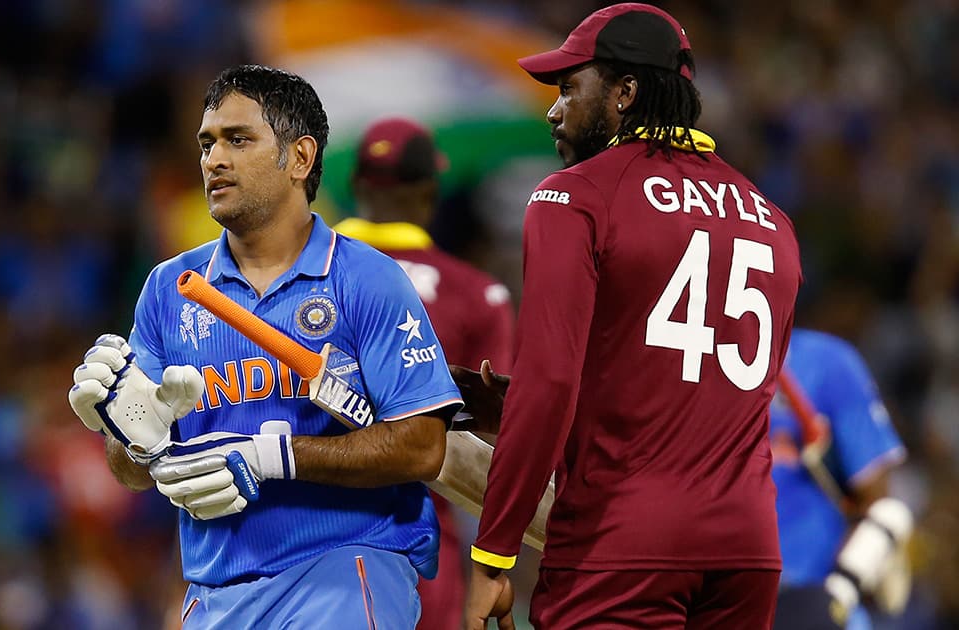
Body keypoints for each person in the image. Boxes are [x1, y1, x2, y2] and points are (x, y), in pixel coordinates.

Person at [68, 64, 464, 629]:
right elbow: (132, 470)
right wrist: (136, 438)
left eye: (237, 140)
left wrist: (269, 456)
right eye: (207, 143)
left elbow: (423, 448)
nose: (213, 159)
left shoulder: (367, 278)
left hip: (345, 570)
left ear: (300, 158)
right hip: (214, 592)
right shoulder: (167, 288)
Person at [454, 4, 803, 629]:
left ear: (625, 92)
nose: (553, 111)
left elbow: (550, 383)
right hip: (748, 549)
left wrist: (492, 556)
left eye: (568, 88)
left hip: (625, 541)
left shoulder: (575, 195)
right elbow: (701, 390)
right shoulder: (773, 220)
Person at [334, 115, 516, 630]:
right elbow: (496, 444)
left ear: (354, 187)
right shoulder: (477, 296)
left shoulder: (286, 276)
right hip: (416, 543)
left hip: (287, 535)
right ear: (431, 191)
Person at [770, 328, 911, 630]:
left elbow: (877, 499)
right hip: (720, 596)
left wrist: (840, 591)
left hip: (813, 593)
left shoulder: (826, 362)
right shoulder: (688, 358)